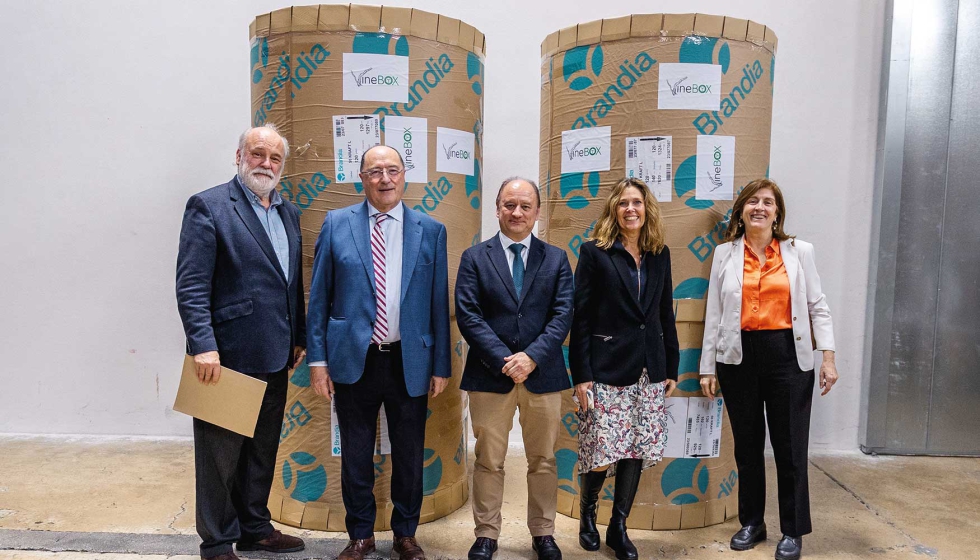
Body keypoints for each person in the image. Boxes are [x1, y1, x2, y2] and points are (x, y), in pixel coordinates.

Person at [306, 145, 451, 560]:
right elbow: (319, 300)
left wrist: (440, 364)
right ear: (362, 178)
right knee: (355, 455)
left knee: (408, 455)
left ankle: (406, 534)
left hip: (410, 360)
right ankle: (361, 536)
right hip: (354, 360)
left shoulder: (431, 229)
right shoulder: (336, 224)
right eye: (375, 172)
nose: (384, 179)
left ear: (404, 175)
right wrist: (318, 362)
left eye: (392, 170)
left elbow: (438, 304)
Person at [176, 124, 306, 560]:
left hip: (276, 353)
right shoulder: (209, 206)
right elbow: (192, 285)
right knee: (219, 457)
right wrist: (202, 345)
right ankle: (215, 542)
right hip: (226, 356)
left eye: (274, 158)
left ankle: (254, 527)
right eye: (257, 154)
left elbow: (292, 283)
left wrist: (299, 336)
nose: (265, 164)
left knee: (261, 449)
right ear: (238, 157)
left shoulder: (289, 212)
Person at [699, 178, 838, 560]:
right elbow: (714, 313)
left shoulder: (799, 252)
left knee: (790, 448)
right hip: (738, 359)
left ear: (777, 213)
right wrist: (707, 366)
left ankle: (792, 530)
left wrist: (827, 356)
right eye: (752, 202)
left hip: (788, 359)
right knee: (746, 447)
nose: (759, 207)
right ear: (741, 211)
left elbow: (817, 306)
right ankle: (752, 523)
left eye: (768, 202)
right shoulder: (724, 254)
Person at [455, 177, 574, 560]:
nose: (517, 212)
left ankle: (543, 533)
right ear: (497, 208)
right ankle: (486, 534)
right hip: (491, 375)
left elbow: (562, 315)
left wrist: (532, 357)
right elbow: (469, 316)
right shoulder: (475, 257)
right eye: (509, 205)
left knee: (543, 459)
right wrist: (508, 360)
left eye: (525, 206)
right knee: (489, 460)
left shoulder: (556, 258)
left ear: (537, 212)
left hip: (544, 375)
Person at [569, 178, 679, 560]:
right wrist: (580, 375)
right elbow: (579, 318)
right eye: (623, 203)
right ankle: (587, 514)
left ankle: (619, 525)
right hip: (605, 368)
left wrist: (672, 365)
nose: (631, 209)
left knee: (635, 448)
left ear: (647, 208)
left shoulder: (660, 253)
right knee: (601, 450)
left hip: (649, 367)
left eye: (637, 202)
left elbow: (665, 311)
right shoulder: (594, 253)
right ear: (614, 210)